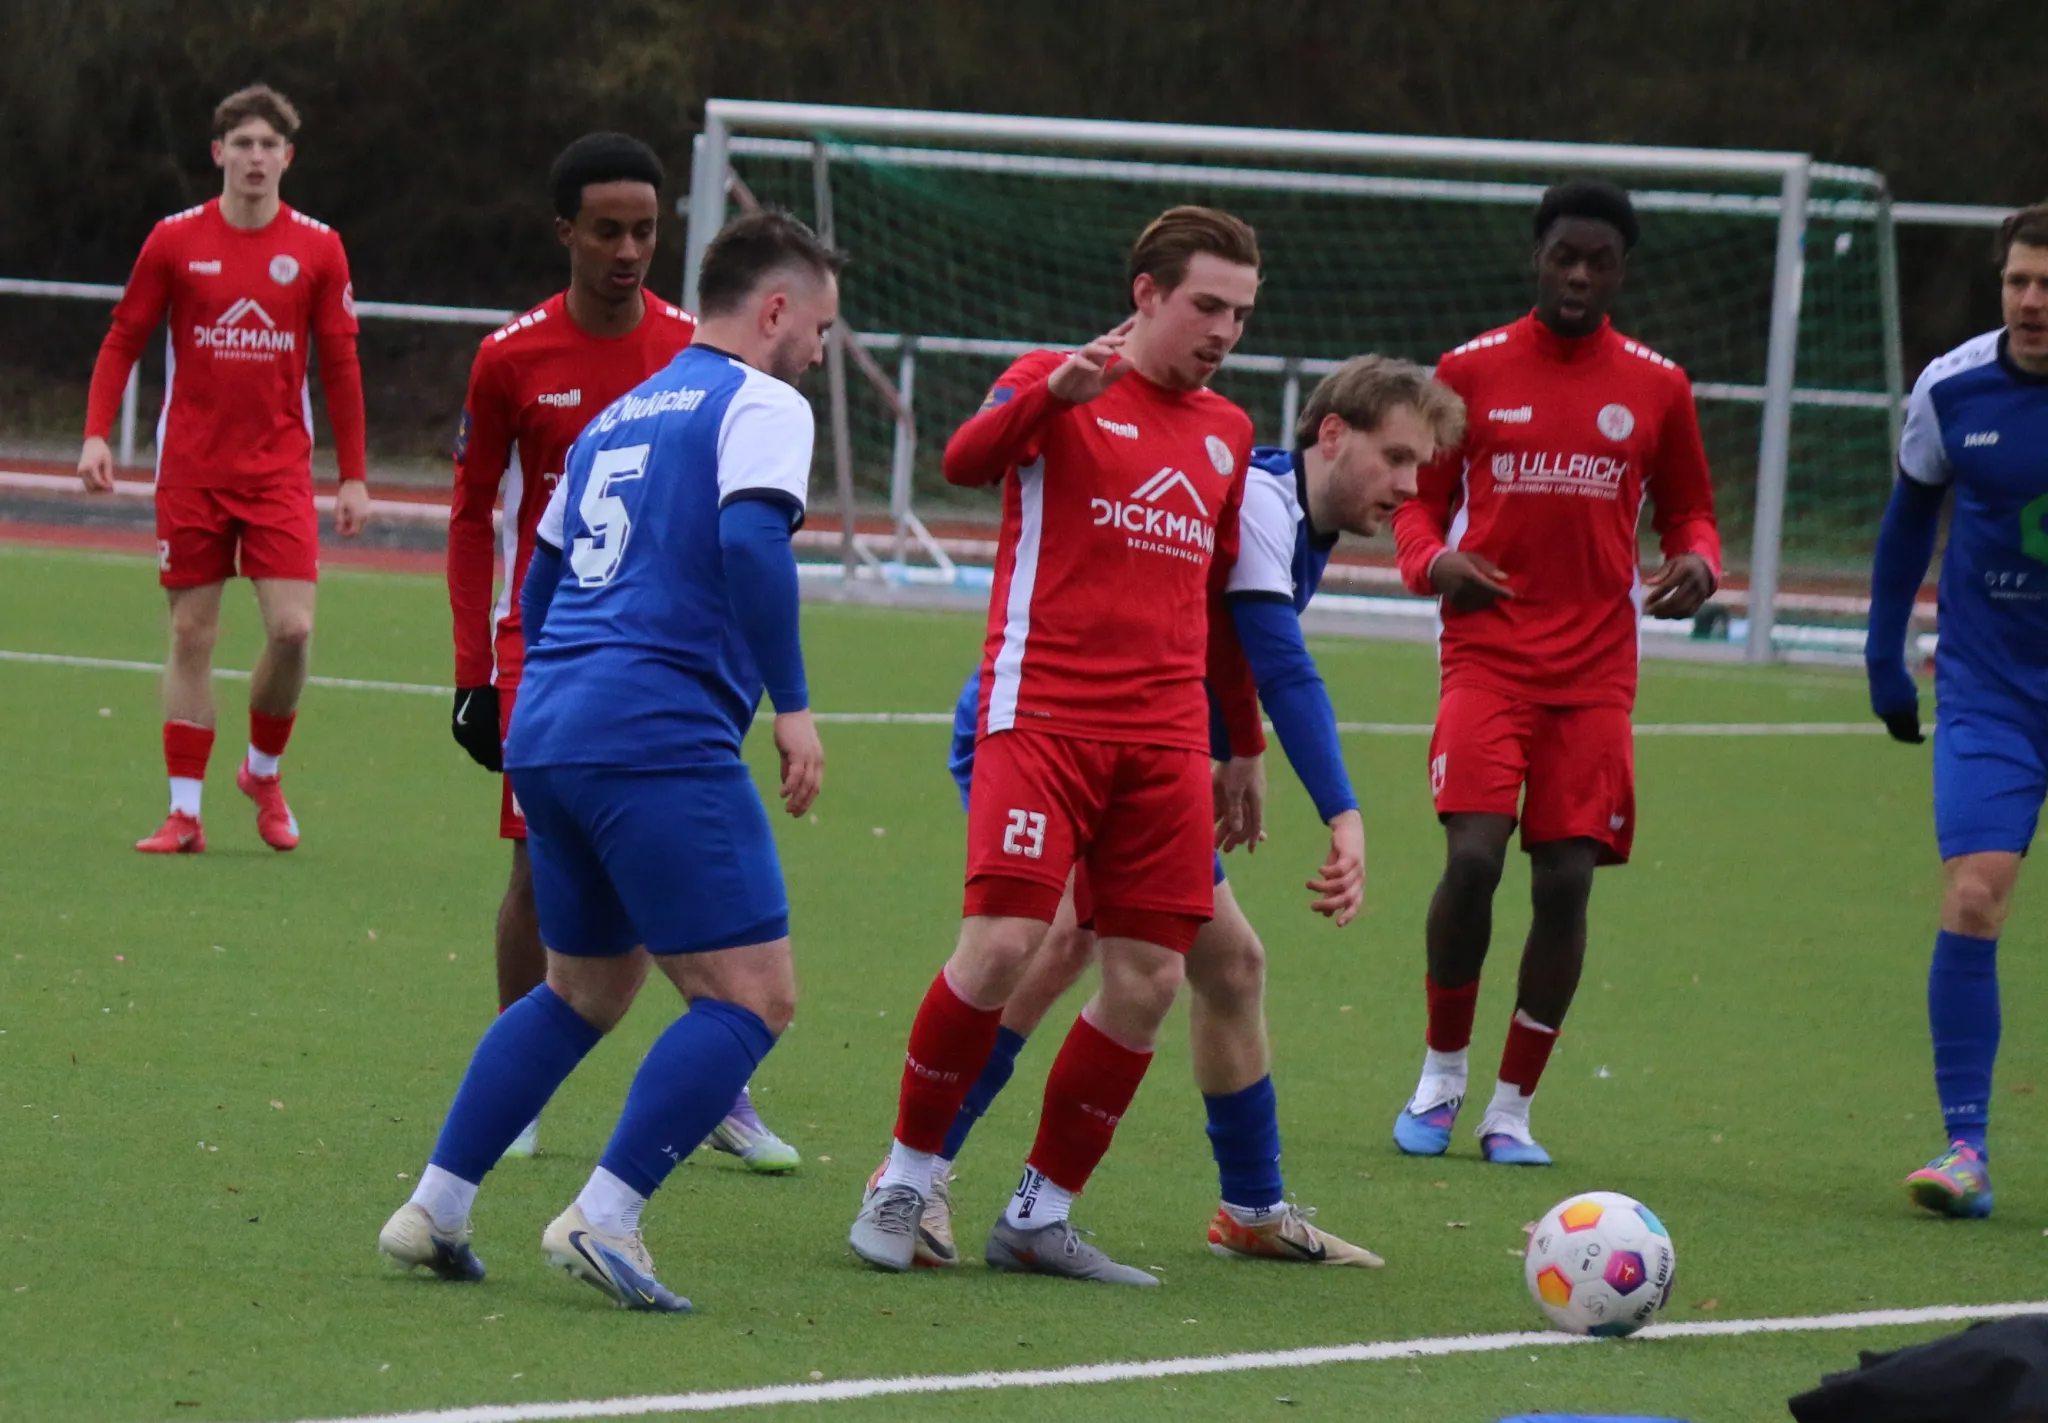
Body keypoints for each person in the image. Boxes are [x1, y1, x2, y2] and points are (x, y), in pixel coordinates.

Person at [892, 356, 1467, 1272]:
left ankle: (1249, 1205)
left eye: (1421, 465)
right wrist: (1343, 810)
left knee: (1229, 963)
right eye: (1396, 457)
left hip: (1153, 758)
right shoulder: (1268, 503)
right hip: (1054, 728)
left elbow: (1227, 654)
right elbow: (1278, 660)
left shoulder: (1289, 512)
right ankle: (917, 1186)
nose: (1410, 485)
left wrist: (1235, 748)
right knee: (1058, 939)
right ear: (1332, 434)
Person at [378, 209, 840, 1311]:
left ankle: (435, 1206)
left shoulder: (617, 413)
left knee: (580, 987)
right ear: (772, 311)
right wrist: (794, 706)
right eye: (818, 326)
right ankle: (607, 1214)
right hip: (654, 733)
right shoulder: (763, 401)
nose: (819, 349)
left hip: (552, 727)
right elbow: (746, 543)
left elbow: (535, 590)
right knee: (754, 1000)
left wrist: (554, 687)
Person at [848, 206, 1270, 1286]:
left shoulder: (1227, 430)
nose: (1222, 330)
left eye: (1239, 312)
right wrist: (1049, 397)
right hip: (1040, 716)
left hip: (1167, 740)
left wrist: (1242, 744)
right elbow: (958, 459)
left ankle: (1038, 1214)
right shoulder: (1050, 375)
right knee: (998, 946)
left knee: (1149, 977)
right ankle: (904, 1176)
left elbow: (1220, 605)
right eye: (1204, 305)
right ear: (1145, 294)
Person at [446, 131, 796, 1171]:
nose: (628, 249)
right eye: (607, 229)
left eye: (645, 229)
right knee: (536, 868)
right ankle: (525, 1083)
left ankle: (718, 1079)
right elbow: (473, 518)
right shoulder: (512, 355)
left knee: (671, 859)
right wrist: (476, 668)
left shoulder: (698, 351)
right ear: (566, 232)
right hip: (550, 636)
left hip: (670, 646)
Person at [1388, 179, 1720, 1166]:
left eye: (1597, 261)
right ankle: (1440, 1078)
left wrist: (1698, 561)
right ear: (1536, 256)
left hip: (1593, 671)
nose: (1577, 274)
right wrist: (1430, 562)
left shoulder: (1656, 385)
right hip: (1486, 656)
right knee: (1473, 858)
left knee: (1565, 879)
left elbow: (1690, 511)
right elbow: (1413, 499)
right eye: (1562, 256)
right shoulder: (1469, 371)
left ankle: (1510, 1108)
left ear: (1618, 271)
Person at [79, 84, 368, 855]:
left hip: (278, 470)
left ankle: (262, 771)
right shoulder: (174, 240)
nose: (254, 157)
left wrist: (354, 473)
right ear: (218, 154)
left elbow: (340, 363)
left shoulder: (318, 247)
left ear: (288, 158)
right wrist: (96, 433)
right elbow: (123, 337)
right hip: (192, 471)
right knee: (193, 633)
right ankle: (184, 812)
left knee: (294, 629)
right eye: (241, 144)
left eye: (268, 145)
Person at [1866, 201, 2048, 1219]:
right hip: (1988, 688)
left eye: (2047, 286)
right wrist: (1879, 653)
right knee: (1974, 892)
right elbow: (1905, 525)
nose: (2029, 302)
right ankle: (1964, 1146)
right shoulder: (1951, 386)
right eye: (2016, 281)